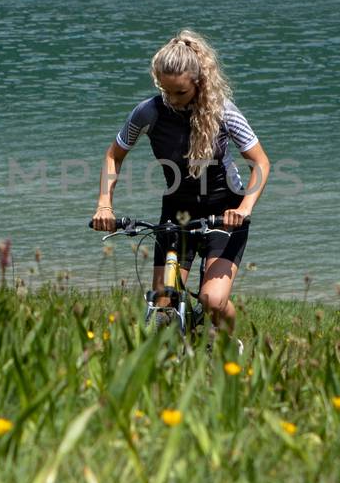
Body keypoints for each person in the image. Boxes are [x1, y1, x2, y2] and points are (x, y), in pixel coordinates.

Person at [91, 30, 270, 339]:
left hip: (224, 212)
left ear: (199, 83)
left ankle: (231, 345)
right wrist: (104, 203)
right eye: (165, 91)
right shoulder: (147, 112)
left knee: (212, 300)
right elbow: (113, 156)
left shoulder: (224, 112)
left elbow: (261, 163)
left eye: (180, 93)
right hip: (176, 211)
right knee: (163, 301)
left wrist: (244, 208)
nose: (171, 100)